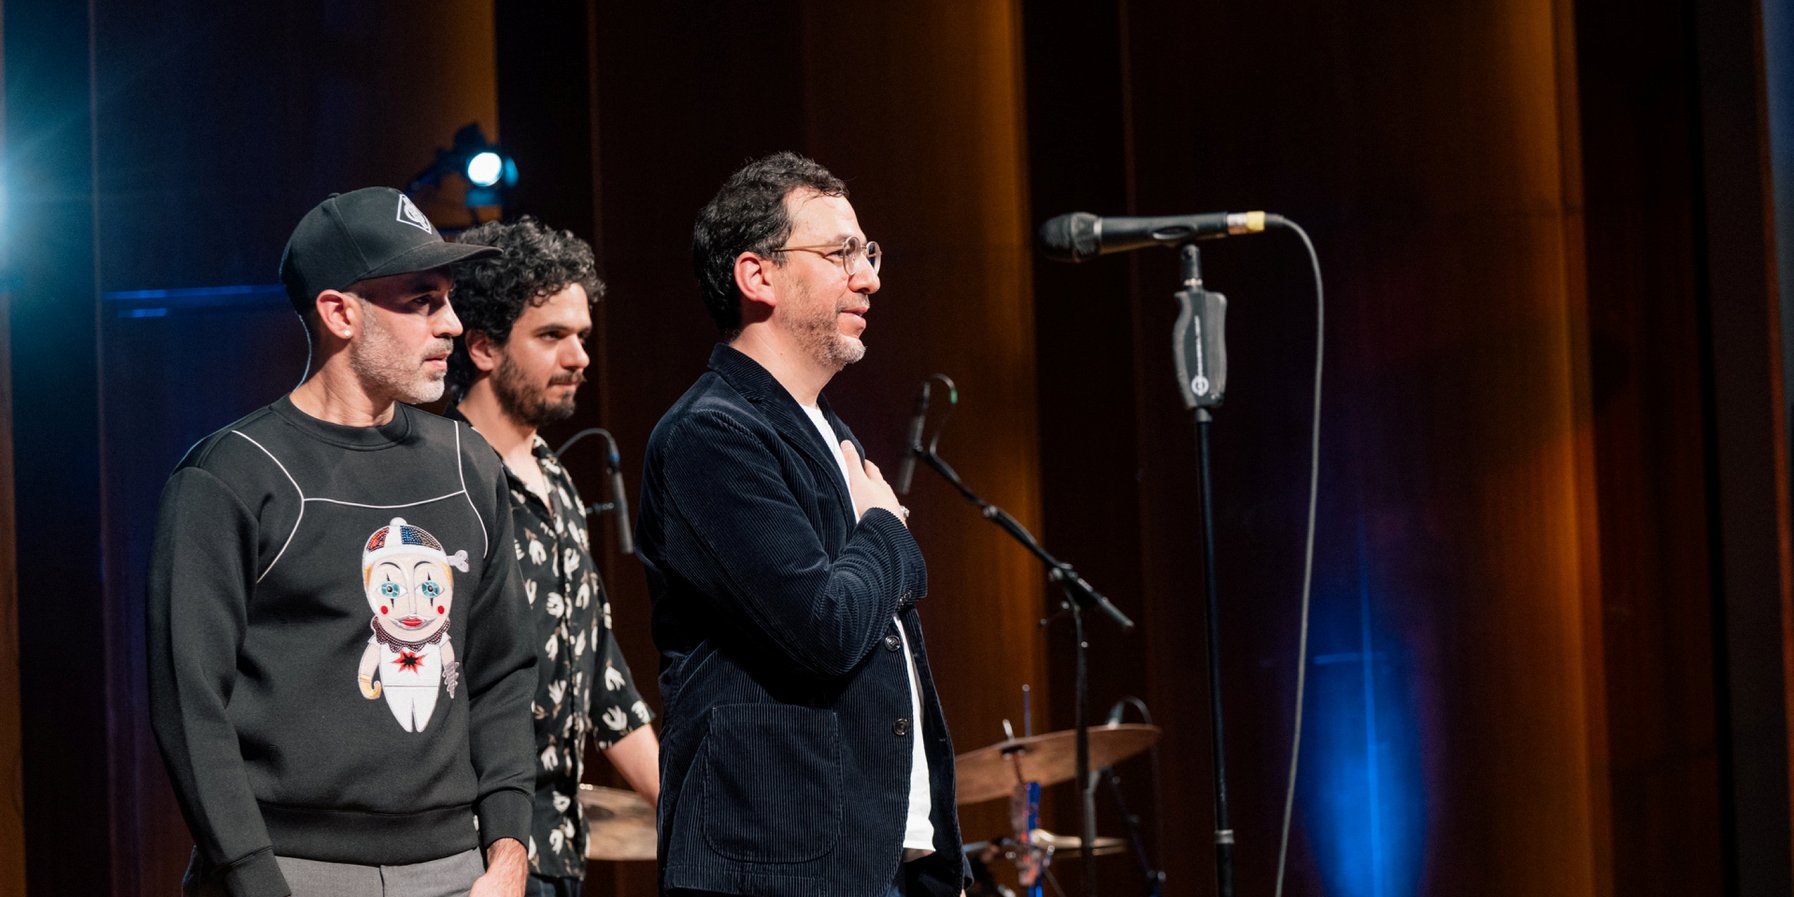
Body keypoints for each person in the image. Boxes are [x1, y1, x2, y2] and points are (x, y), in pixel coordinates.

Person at [147, 187, 538, 897]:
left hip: (458, 867)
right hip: (292, 869)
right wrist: (252, 877)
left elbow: (504, 671)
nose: (451, 323)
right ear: (339, 312)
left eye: (449, 298)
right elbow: (189, 702)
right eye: (422, 300)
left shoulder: (467, 461)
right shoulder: (231, 476)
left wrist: (508, 853)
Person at [636, 151, 969, 897]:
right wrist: (887, 530)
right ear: (758, 276)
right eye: (841, 252)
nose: (869, 276)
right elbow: (823, 624)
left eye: (868, 251)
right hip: (776, 868)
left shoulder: (830, 432)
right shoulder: (710, 434)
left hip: (867, 860)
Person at [443, 217, 660, 897]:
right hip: (473, 851)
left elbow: (598, 672)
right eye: (551, 336)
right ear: (482, 347)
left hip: (560, 849)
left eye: (581, 337)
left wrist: (684, 799)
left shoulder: (556, 479)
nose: (579, 357)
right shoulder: (438, 479)